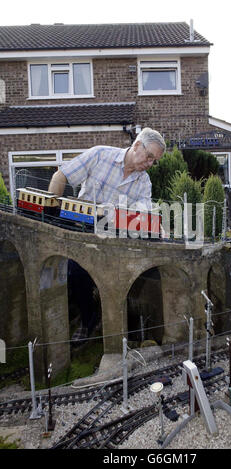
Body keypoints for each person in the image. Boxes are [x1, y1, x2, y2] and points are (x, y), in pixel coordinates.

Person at [48, 127, 166, 344]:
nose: (150, 164)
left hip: (114, 240)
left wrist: (156, 227)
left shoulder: (144, 183)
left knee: (120, 278)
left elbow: (144, 214)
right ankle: (88, 320)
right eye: (149, 156)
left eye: (154, 161)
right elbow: (61, 175)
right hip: (82, 231)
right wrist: (49, 217)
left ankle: (114, 323)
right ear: (137, 145)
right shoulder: (100, 155)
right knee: (75, 274)